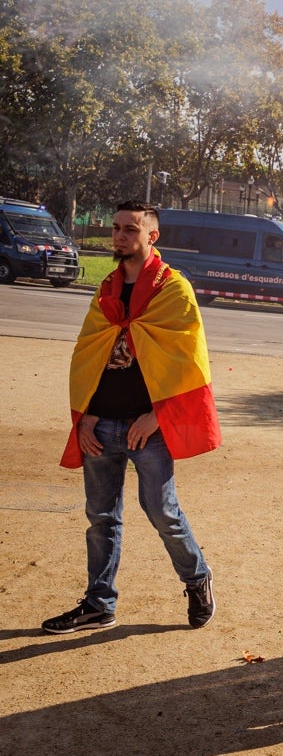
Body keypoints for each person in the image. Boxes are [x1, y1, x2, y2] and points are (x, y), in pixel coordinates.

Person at [43, 201, 221, 634]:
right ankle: (99, 603)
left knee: (162, 510)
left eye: (131, 229)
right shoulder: (105, 290)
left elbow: (187, 364)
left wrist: (157, 417)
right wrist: (86, 416)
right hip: (100, 425)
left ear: (151, 236)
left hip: (148, 428)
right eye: (117, 228)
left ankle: (197, 580)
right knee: (101, 516)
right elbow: (90, 357)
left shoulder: (173, 291)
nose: (120, 236)